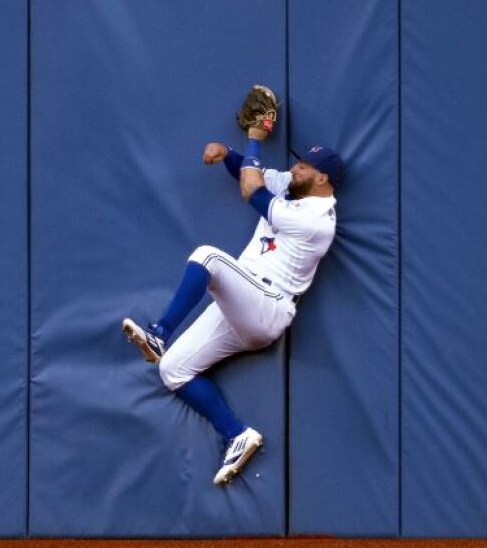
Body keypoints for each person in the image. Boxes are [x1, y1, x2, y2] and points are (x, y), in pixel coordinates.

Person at [122, 115, 345, 485]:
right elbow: (251, 175)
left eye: (303, 165)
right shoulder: (295, 188)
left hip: (268, 303)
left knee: (207, 256)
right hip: (241, 301)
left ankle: (159, 333)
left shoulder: (318, 219)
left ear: (322, 178)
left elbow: (252, 191)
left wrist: (255, 141)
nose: (295, 167)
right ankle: (237, 435)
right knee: (172, 370)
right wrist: (230, 154)